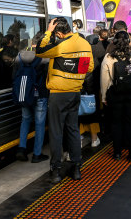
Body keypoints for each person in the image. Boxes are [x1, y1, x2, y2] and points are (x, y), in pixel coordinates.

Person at [36, 17, 94, 183]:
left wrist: (48, 31)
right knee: (73, 130)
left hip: (58, 94)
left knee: (56, 132)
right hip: (75, 93)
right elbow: (89, 67)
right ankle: (76, 169)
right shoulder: (84, 44)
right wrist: (75, 71)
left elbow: (40, 51)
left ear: (59, 33)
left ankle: (56, 171)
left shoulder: (59, 45)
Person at [101, 31, 131, 161]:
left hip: (115, 94)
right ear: (128, 42)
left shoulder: (108, 57)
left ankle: (117, 152)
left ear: (113, 42)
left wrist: (104, 96)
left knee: (116, 123)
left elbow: (104, 80)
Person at [13, 31, 50, 163]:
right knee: (40, 124)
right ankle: (36, 154)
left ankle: (22, 149)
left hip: (25, 94)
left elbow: (14, 75)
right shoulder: (46, 58)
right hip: (40, 94)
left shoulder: (20, 55)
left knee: (25, 120)